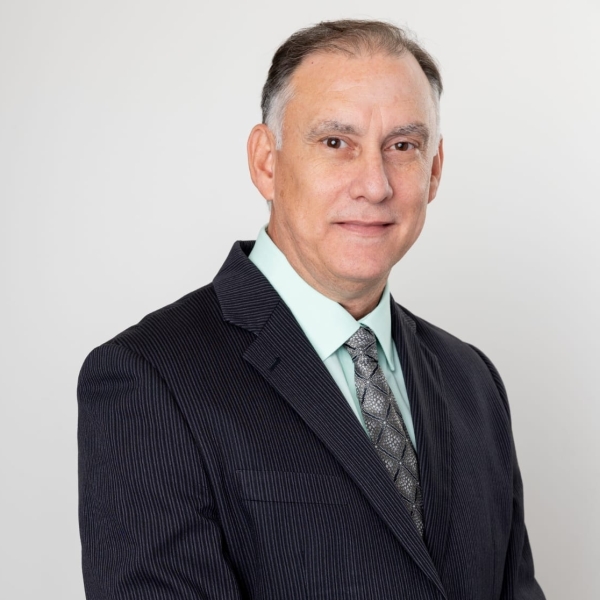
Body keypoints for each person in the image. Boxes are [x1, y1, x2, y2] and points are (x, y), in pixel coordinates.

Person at [78, 19, 545, 599]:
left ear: (434, 170)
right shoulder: (151, 377)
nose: (374, 185)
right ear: (266, 162)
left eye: (402, 146)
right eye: (335, 143)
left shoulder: (472, 380)